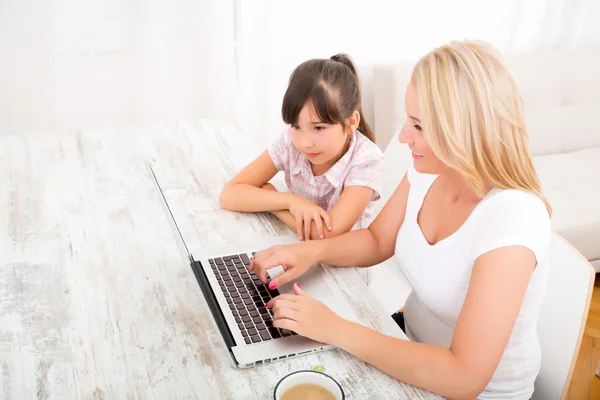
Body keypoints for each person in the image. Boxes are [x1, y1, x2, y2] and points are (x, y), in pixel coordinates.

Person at [249, 40, 552, 400]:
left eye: (420, 126)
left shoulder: (512, 219)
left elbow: (463, 378)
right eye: (408, 120)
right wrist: (309, 253)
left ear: (466, 130)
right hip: (404, 342)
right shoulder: (429, 171)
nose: (404, 136)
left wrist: (334, 328)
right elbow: (377, 240)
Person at [220, 54, 384, 285]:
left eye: (318, 128)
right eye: (296, 126)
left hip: (342, 275)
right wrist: (292, 202)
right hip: (293, 253)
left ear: (351, 123)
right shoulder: (290, 142)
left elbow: (325, 234)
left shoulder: (367, 159)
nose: (305, 142)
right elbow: (230, 194)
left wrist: (272, 199)